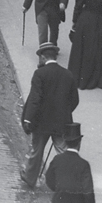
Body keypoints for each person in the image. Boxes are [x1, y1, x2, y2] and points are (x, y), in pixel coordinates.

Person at [21, 42, 79, 189]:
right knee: (62, 151)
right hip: (61, 122)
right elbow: (74, 100)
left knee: (37, 151)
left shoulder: (40, 74)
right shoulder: (68, 74)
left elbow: (35, 98)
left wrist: (28, 119)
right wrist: (64, 111)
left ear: (43, 57)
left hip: (41, 123)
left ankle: (30, 178)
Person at [43, 123, 95, 203]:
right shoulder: (84, 165)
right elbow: (88, 194)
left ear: (65, 142)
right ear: (79, 142)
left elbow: (49, 179)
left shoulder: (57, 160)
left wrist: (60, 190)